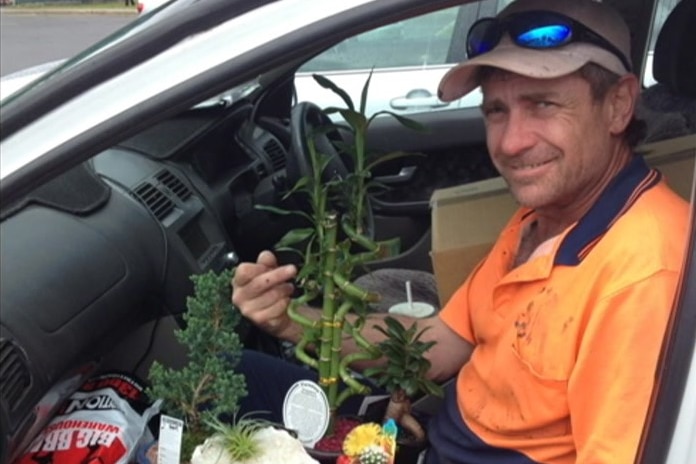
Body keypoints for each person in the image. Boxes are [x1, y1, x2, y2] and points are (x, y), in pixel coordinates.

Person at [231, 0, 690, 462]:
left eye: (543, 104)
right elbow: (437, 344)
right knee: (235, 372)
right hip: (432, 436)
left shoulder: (645, 274)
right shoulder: (547, 216)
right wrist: (291, 320)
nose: (511, 142)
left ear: (618, 105)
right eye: (496, 111)